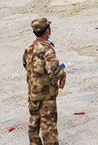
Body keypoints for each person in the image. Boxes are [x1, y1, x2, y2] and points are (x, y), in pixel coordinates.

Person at [23, 17, 66, 145]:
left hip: (33, 92)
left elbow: (25, 64)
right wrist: (63, 76)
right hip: (46, 94)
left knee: (34, 122)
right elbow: (53, 70)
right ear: (47, 30)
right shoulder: (47, 49)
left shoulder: (29, 47)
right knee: (48, 125)